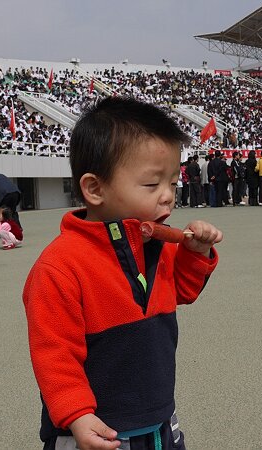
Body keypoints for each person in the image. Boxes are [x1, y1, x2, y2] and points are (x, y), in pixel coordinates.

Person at [22, 97, 222, 450]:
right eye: (152, 185)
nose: (168, 198)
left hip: (158, 418)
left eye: (173, 183)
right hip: (95, 430)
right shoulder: (59, 266)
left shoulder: (156, 243)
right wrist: (77, 414)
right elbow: (55, 354)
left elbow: (184, 292)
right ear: (95, 189)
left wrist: (196, 253)